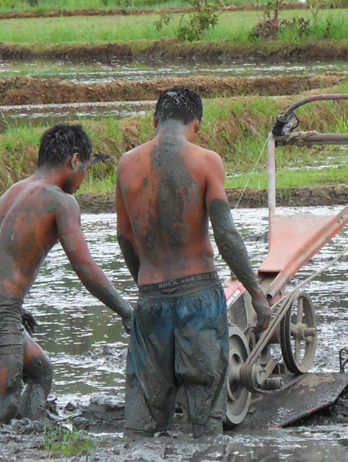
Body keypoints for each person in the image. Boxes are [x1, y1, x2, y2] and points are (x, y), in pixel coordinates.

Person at [116, 86, 271, 438]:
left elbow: (124, 237)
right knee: (205, 424)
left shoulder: (127, 164)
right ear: (195, 125)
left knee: (141, 429)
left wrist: (145, 282)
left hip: (151, 298)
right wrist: (256, 294)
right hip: (198, 298)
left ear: (154, 121)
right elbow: (226, 235)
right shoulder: (205, 161)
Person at [0, 124, 133, 429]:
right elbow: (84, 268)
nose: (84, 179)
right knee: (2, 406)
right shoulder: (61, 201)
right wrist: (125, 310)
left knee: (40, 371)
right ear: (74, 161)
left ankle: (31, 434)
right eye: (86, 168)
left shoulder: (13, 191)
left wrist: (15, 307)